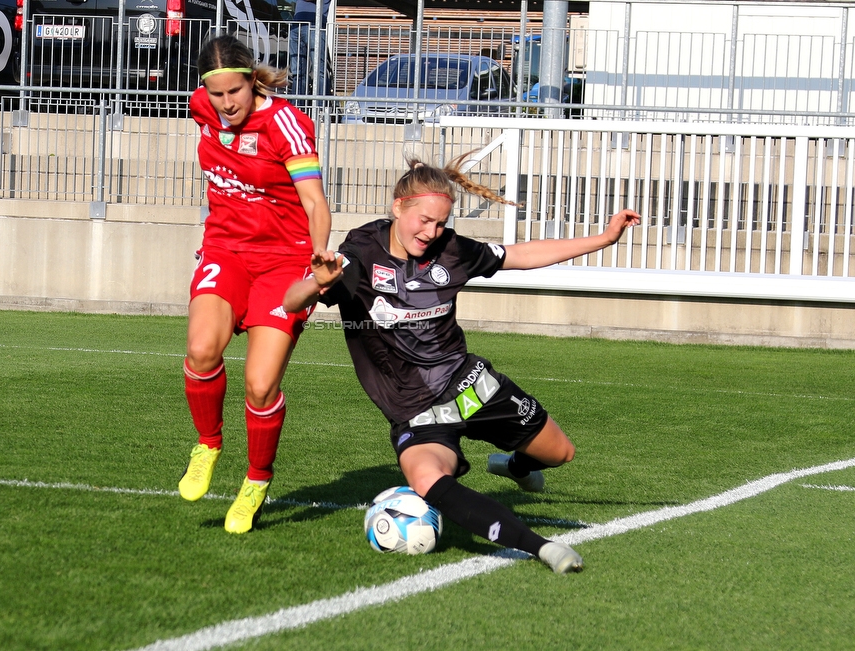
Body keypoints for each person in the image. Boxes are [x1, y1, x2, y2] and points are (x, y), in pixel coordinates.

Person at [283, 157, 640, 572]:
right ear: (398, 206)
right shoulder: (360, 252)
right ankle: (542, 548)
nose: (430, 232)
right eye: (424, 220)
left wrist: (604, 238)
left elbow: (520, 255)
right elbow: (291, 301)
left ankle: (514, 463)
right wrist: (319, 282)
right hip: (415, 410)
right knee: (425, 480)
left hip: (472, 387)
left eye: (440, 222)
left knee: (560, 453)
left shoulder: (451, 249)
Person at [179, 34, 334, 534]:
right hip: (225, 249)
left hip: (283, 262)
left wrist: (317, 260)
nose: (226, 104)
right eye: (217, 94)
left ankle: (256, 480)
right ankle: (208, 443)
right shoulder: (200, 106)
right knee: (202, 350)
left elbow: (314, 201)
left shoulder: (286, 124)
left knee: (261, 384)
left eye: (235, 93)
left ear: (252, 80)